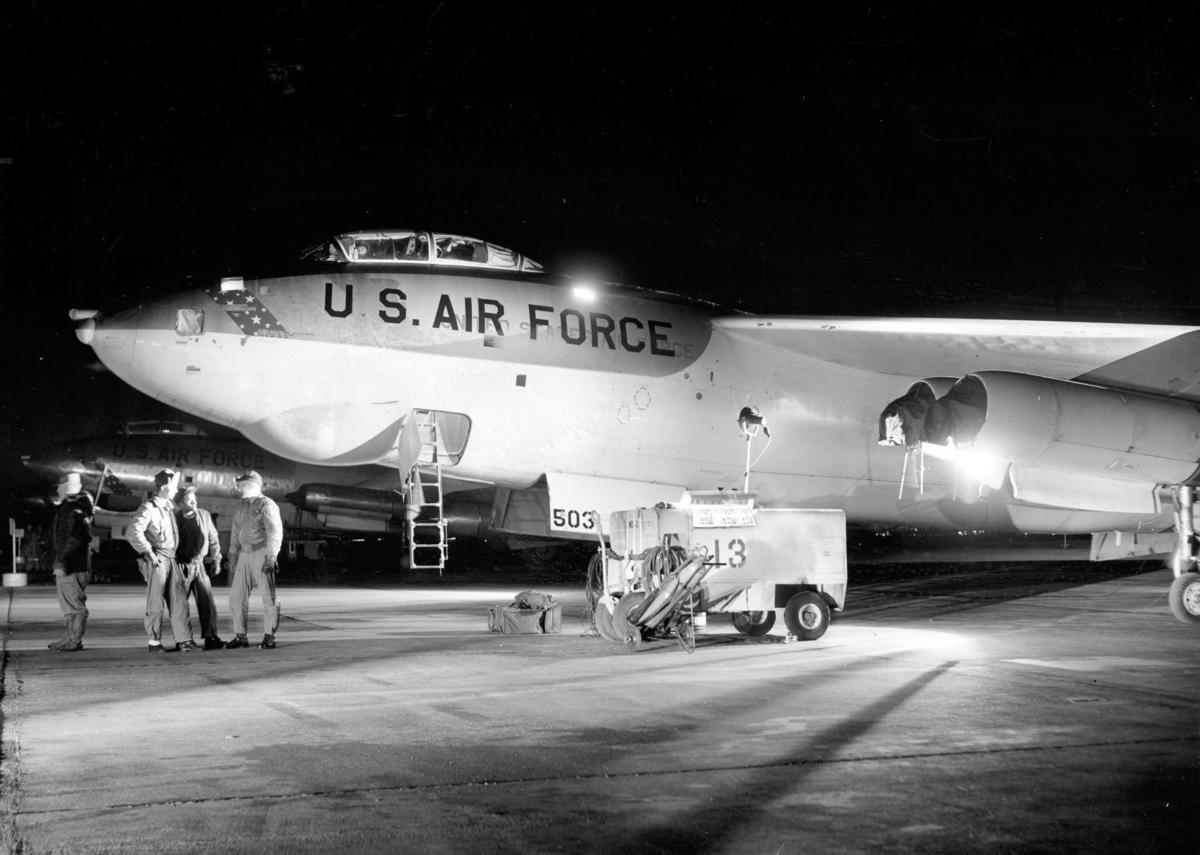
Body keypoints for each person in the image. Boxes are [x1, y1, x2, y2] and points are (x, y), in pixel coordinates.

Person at [128, 469, 197, 653]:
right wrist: (148, 552)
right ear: (165, 485)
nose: (176, 490)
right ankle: (154, 642)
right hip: (158, 558)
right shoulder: (149, 508)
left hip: (171, 558)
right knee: (156, 602)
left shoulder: (169, 507)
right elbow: (133, 532)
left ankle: (184, 640)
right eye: (174, 486)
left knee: (179, 600)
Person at [225, 470, 283, 650]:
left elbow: (274, 533)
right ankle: (240, 636)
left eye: (241, 485)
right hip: (244, 555)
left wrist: (271, 556)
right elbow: (235, 531)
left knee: (268, 597)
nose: (239, 489)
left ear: (251, 485)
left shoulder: (267, 505)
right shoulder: (242, 506)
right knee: (237, 597)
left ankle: (269, 636)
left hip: (262, 553)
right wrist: (233, 555)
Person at [47, 472, 93, 652]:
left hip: (72, 566)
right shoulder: (77, 508)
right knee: (70, 604)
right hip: (75, 565)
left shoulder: (73, 510)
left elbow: (74, 539)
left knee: (74, 606)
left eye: (59, 487)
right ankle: (71, 638)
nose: (57, 491)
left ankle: (73, 641)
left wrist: (61, 560)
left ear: (66, 487)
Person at [175, 485, 225, 650]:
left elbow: (213, 538)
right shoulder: (173, 518)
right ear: (180, 504)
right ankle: (183, 640)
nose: (194, 503)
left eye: (194, 499)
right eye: (189, 500)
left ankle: (211, 637)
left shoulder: (204, 515)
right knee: (180, 606)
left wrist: (216, 560)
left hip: (199, 565)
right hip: (180, 566)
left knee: (207, 603)